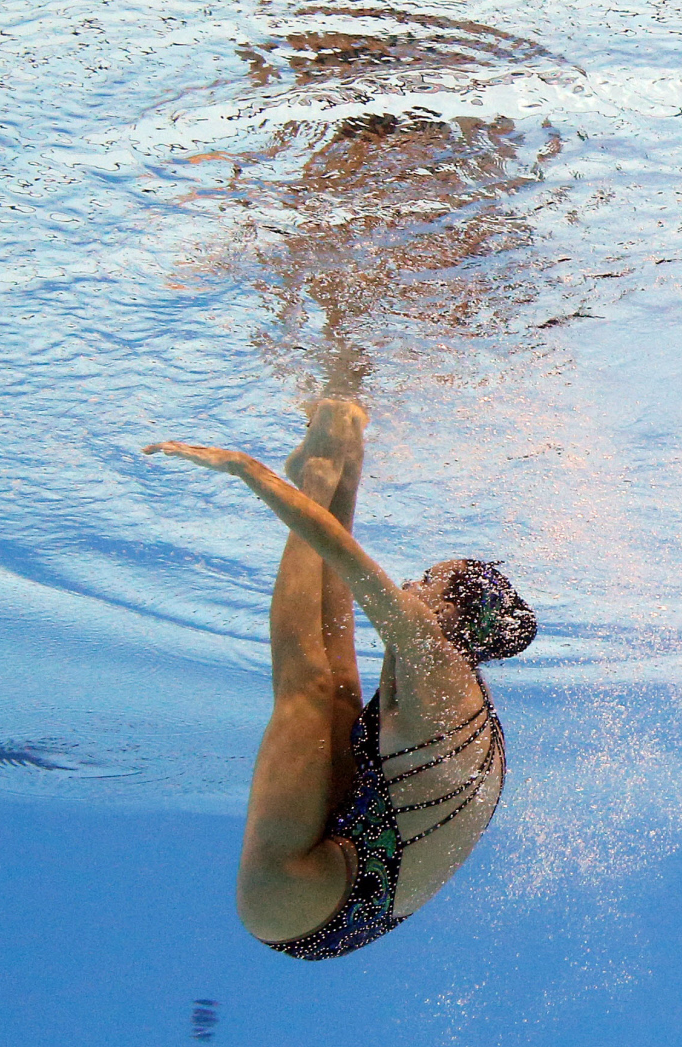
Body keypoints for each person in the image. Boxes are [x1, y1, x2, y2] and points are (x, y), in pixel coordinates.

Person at [144, 398, 536, 959]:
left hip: (293, 899)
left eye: (430, 578)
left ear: (451, 614)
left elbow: (346, 557)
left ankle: (321, 470)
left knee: (308, 692)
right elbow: (343, 590)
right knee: (337, 691)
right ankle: (339, 450)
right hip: (361, 893)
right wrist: (338, 468)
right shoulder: (447, 673)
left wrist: (246, 468)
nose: (414, 580)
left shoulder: (437, 658)